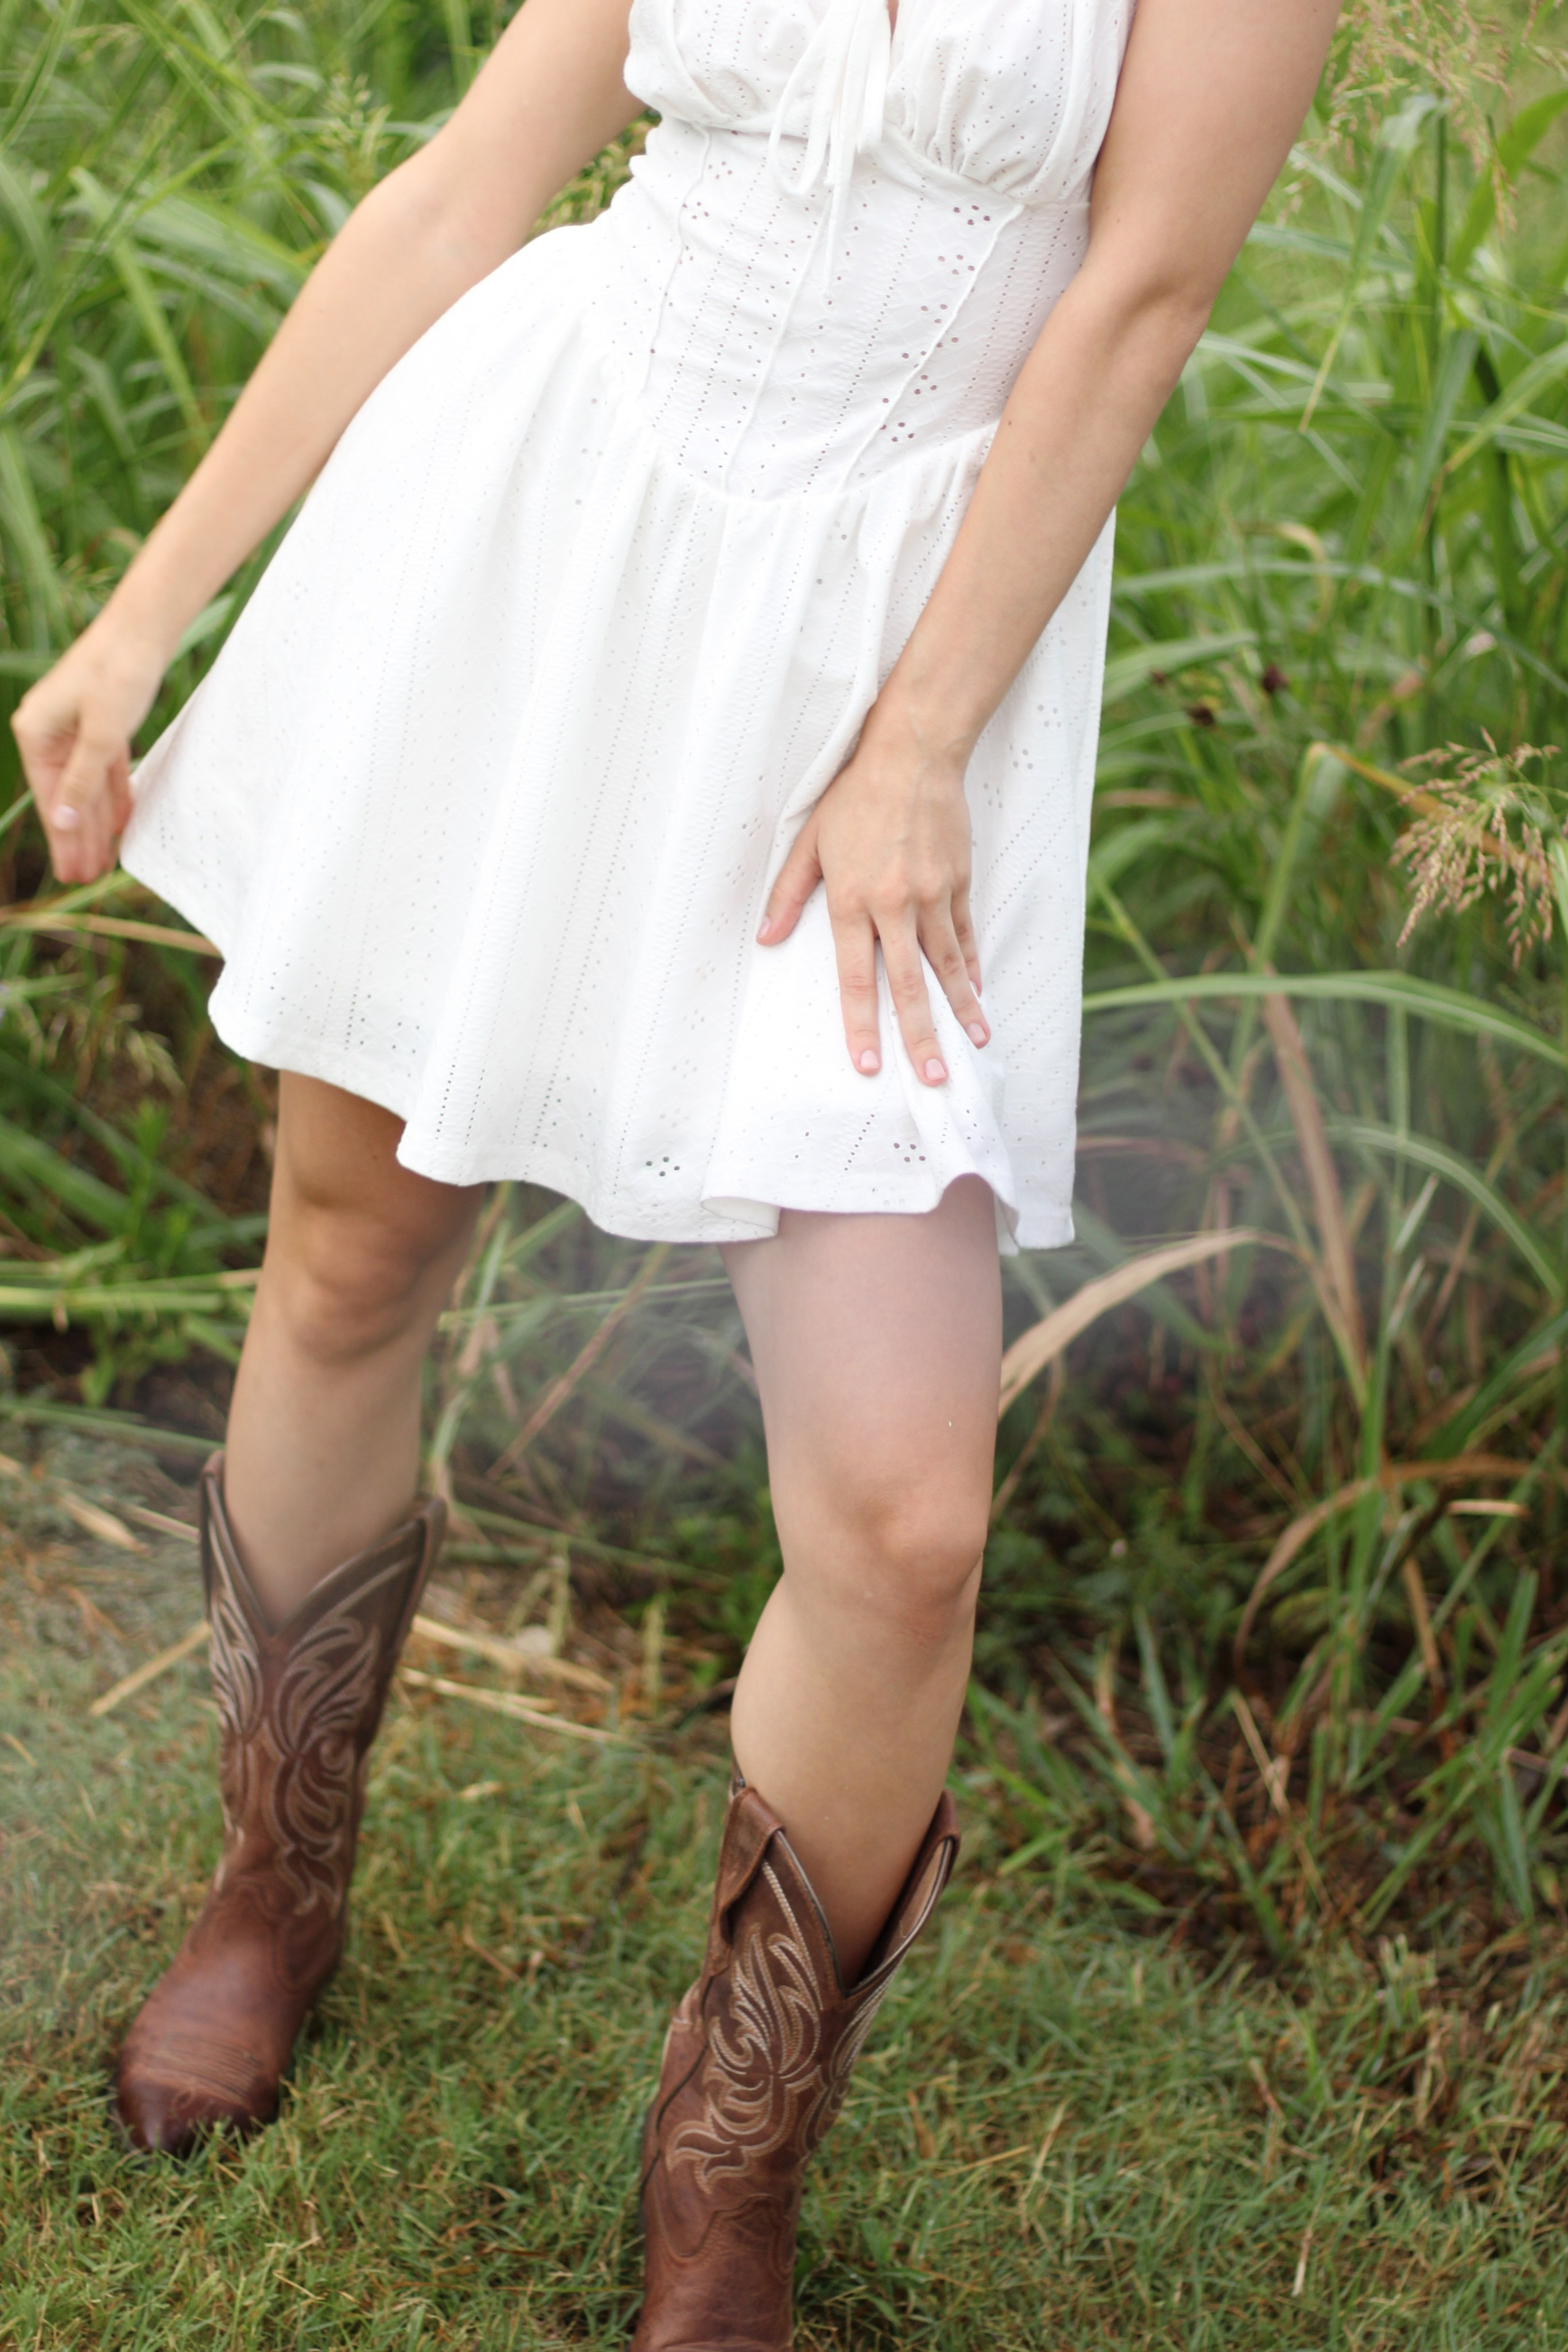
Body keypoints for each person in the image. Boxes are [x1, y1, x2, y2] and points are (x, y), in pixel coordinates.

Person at [12, 0, 1343, 2339]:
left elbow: (1142, 293)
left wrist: (917, 736)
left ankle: (725, 2169)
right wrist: (146, 610)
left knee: (905, 1517)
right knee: (346, 1256)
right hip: (544, 531)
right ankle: (270, 1889)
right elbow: (462, 186)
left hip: (893, 643)